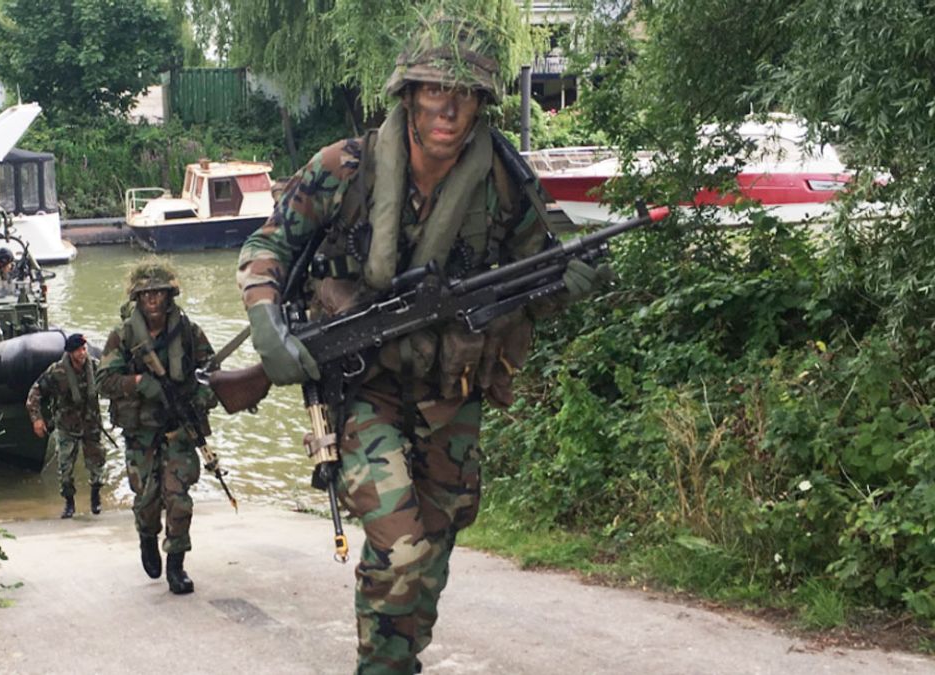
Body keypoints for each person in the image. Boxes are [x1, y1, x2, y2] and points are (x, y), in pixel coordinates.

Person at [236, 14, 610, 674]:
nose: (448, 105)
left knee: (434, 548)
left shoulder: (502, 184)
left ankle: (398, 658)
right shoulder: (344, 169)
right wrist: (268, 325)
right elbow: (267, 246)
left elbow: (538, 275)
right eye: (434, 88)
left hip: (453, 386)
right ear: (408, 93)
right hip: (360, 384)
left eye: (464, 93)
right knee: (400, 546)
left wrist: (572, 280)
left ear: (482, 102)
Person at [97, 258, 217, 595]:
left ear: (169, 295)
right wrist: (139, 382)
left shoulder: (189, 333)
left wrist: (203, 397)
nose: (152, 299)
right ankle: (147, 537)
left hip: (180, 429)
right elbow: (103, 381)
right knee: (147, 501)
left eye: (159, 293)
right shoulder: (122, 337)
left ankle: (176, 564)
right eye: (146, 294)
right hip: (142, 433)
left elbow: (211, 372)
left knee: (178, 500)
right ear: (137, 298)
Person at [26, 332, 106, 519]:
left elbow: (111, 385)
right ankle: (69, 503)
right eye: (78, 350)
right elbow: (35, 393)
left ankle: (95, 496)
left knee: (97, 464)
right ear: (70, 352)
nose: (82, 353)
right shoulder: (57, 371)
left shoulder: (95, 367)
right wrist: (36, 419)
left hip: (91, 424)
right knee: (65, 469)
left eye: (84, 349)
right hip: (67, 426)